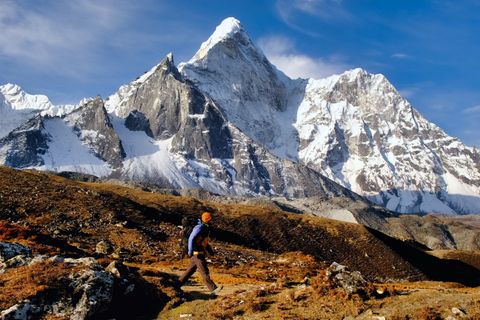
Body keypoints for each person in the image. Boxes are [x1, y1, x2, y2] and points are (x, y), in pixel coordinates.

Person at [178, 212, 222, 294]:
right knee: (204, 271)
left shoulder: (204, 227)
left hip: (197, 253)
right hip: (196, 253)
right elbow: (191, 239)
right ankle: (213, 289)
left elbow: (203, 241)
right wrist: (190, 251)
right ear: (208, 219)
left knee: (190, 271)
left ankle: (176, 285)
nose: (211, 220)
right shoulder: (200, 227)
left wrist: (210, 250)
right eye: (210, 219)